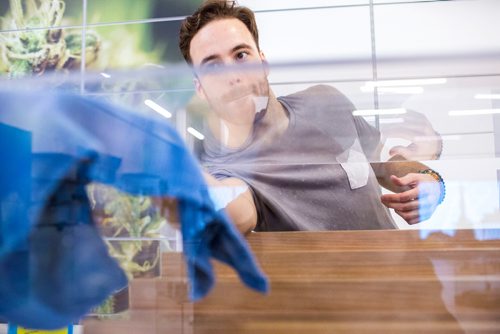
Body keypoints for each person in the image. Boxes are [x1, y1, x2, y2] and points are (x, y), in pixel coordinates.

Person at [178, 0, 445, 234]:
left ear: (263, 61)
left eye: (241, 55)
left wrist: (432, 183)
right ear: (200, 88)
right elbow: (234, 214)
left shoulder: (325, 101)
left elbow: (383, 162)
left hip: (402, 279)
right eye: (213, 66)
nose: (232, 76)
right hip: (321, 291)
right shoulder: (221, 168)